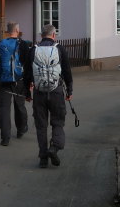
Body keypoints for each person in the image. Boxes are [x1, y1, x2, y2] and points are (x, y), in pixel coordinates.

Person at [25, 24, 73, 168]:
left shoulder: (33, 50)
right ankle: (54, 147)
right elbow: (67, 71)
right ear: (53, 35)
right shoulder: (59, 49)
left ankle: (43, 159)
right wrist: (69, 90)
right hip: (56, 91)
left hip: (39, 93)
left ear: (41, 35)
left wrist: (27, 93)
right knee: (58, 122)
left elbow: (27, 73)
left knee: (41, 126)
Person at [0, 22, 30, 146]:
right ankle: (21, 129)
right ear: (17, 30)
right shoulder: (23, 44)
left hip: (4, 79)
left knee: (4, 108)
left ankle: (5, 138)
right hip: (19, 79)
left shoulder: (1, 43)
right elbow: (27, 62)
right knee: (19, 105)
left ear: (8, 31)